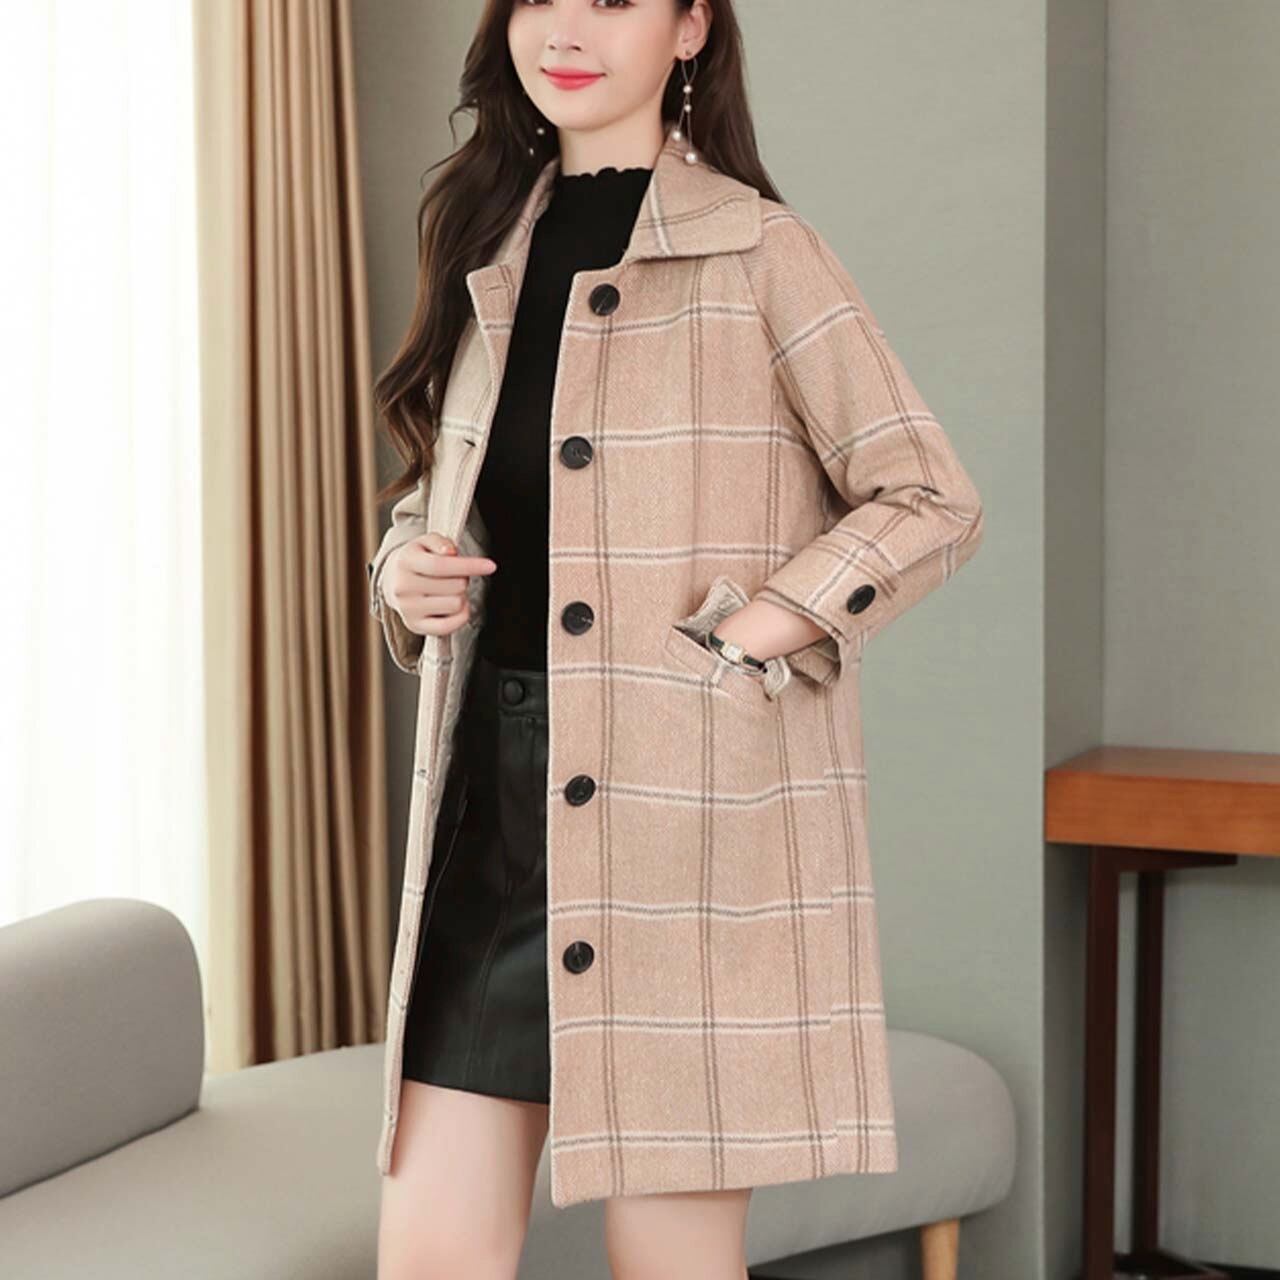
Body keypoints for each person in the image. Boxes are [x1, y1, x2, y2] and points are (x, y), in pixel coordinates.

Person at [368, 1, 986, 1276]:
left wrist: (749, 635)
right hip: (497, 802)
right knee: (428, 1255)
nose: (567, 30)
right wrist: (405, 566)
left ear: (690, 27)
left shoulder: (759, 250)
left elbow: (929, 496)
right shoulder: (484, 233)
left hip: (684, 817)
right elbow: (451, 483)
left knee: (669, 1262)